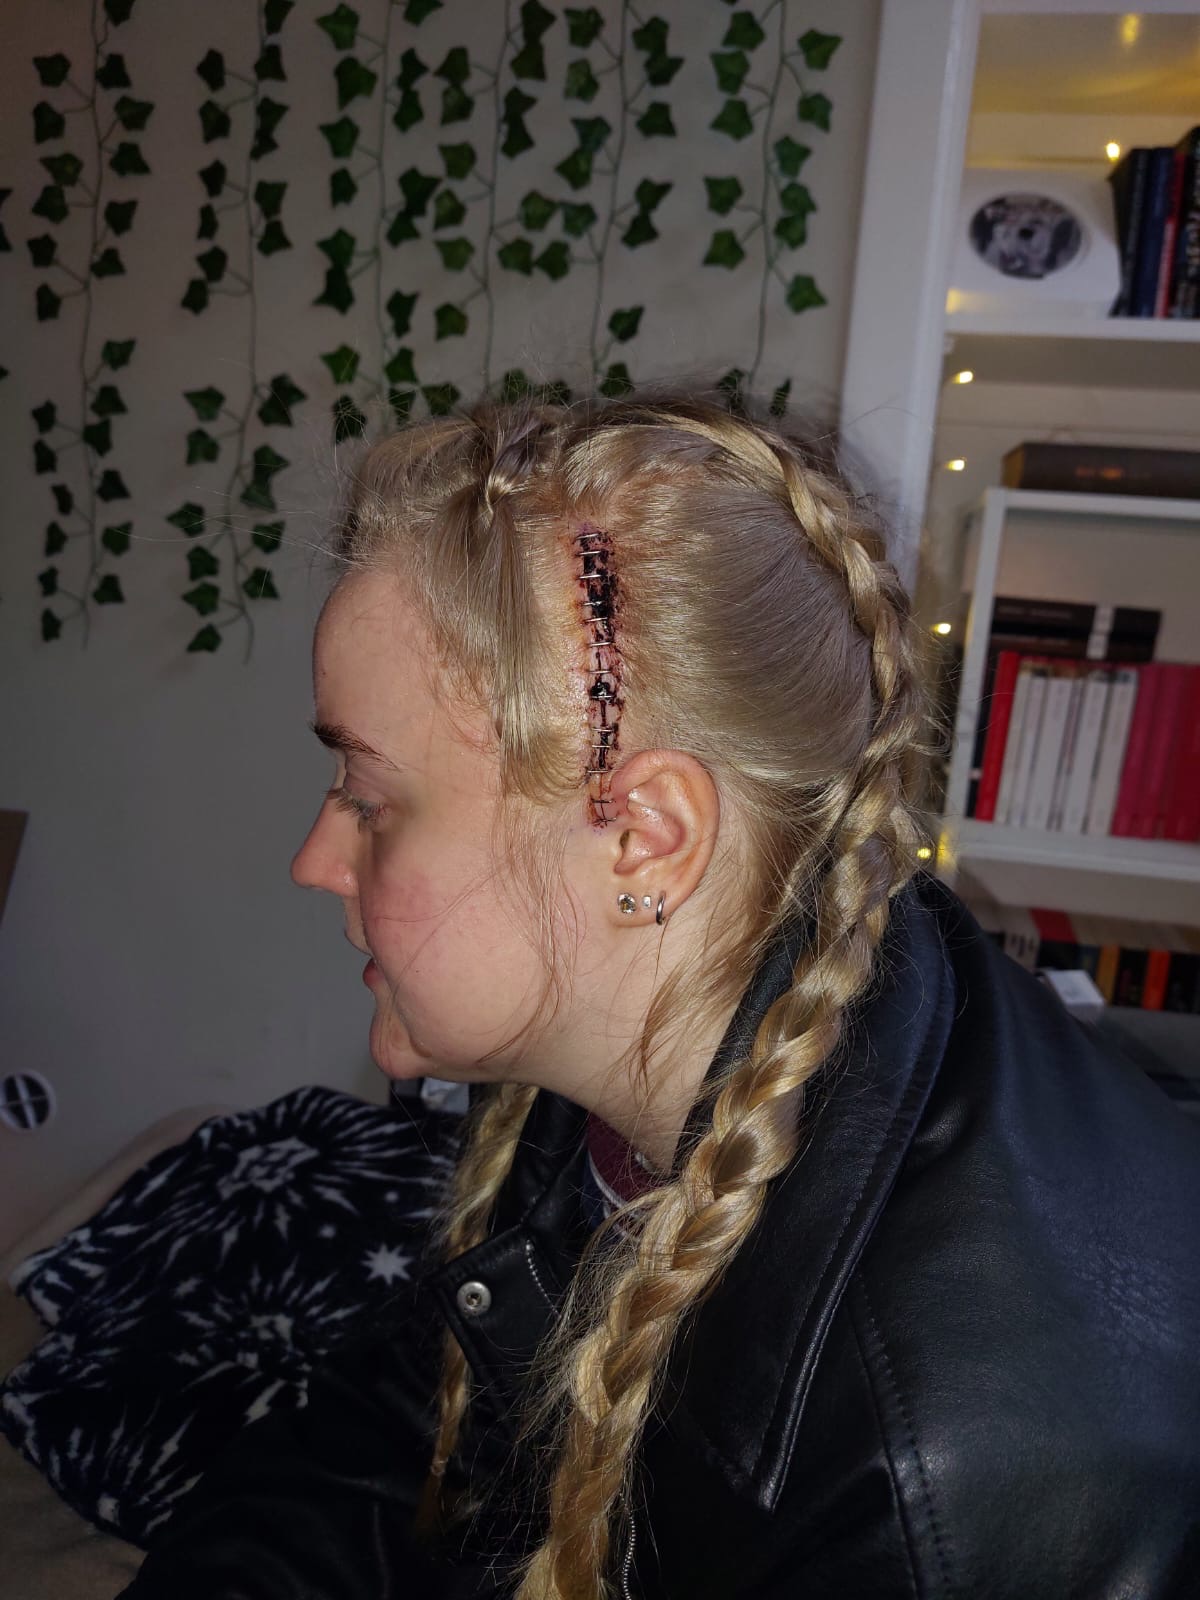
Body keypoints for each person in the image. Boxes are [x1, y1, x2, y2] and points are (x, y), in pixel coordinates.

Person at [120, 392, 1200, 1599]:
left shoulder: (929, 1499)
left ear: (644, 840)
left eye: (369, 800)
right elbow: (403, 1430)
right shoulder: (670, 1009)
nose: (314, 858)